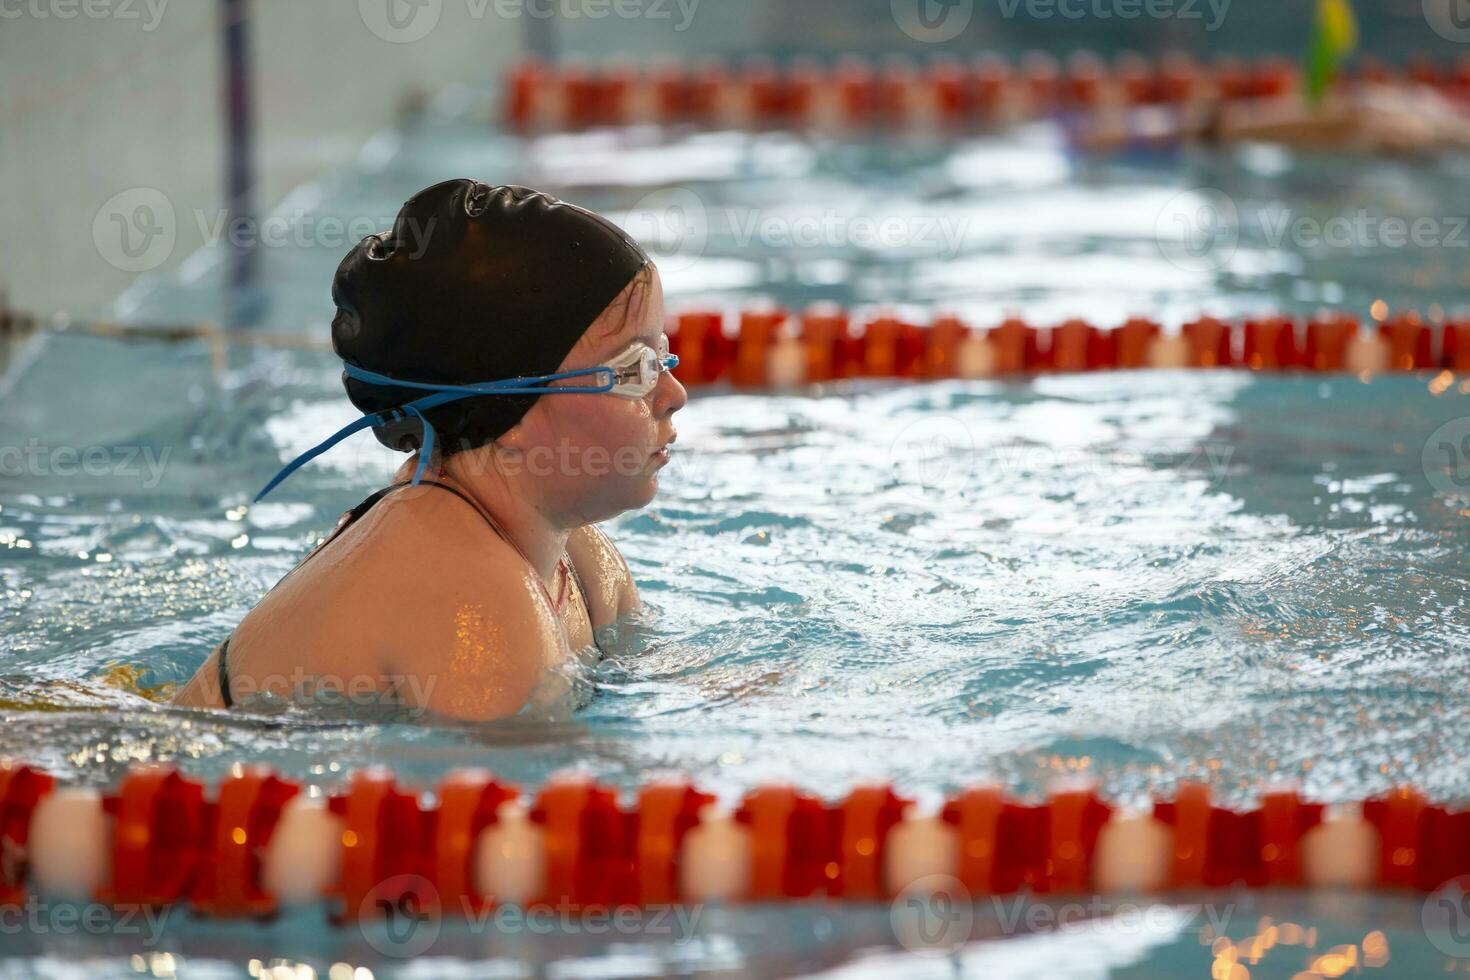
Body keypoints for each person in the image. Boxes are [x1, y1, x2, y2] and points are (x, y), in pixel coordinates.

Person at [173, 180, 686, 720]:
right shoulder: (468, 591)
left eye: (663, 357)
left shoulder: (582, 560)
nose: (673, 395)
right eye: (634, 370)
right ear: (507, 411)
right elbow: (525, 791)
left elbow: (671, 687)